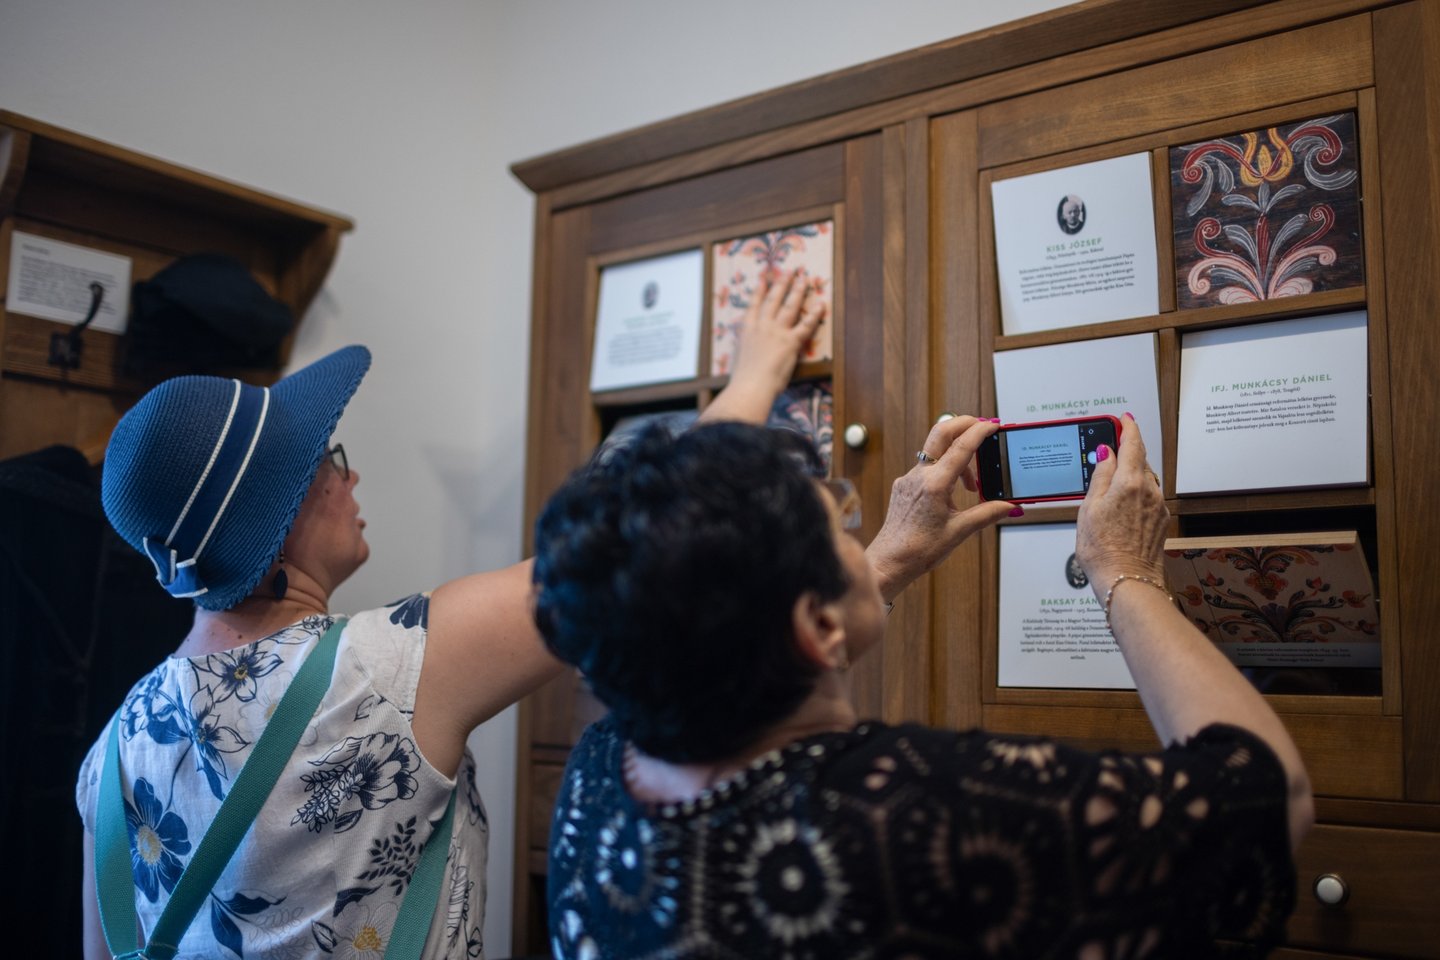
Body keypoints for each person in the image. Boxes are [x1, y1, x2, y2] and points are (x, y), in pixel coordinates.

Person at [75, 269, 826, 959]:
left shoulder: (110, 756)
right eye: (328, 459)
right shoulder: (383, 672)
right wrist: (756, 375)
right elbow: (637, 538)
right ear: (280, 516)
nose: (350, 477)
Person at [533, 414, 1314, 959]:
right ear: (817, 626)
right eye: (840, 530)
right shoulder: (930, 810)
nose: (858, 536)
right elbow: (1267, 797)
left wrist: (877, 568)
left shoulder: (597, 774)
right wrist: (1125, 570)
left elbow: (720, 652)